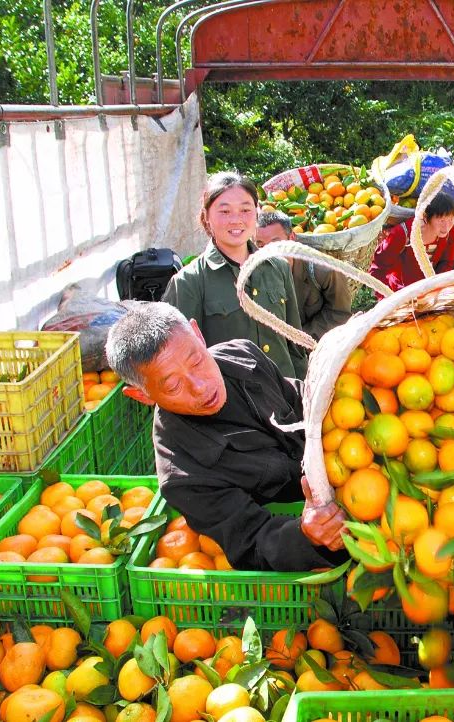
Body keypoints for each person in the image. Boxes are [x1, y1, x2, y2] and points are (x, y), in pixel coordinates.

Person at [105, 302, 347, 571]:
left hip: (352, 475)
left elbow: (302, 400)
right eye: (173, 385)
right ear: (143, 396)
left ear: (198, 334)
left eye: (196, 360)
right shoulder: (183, 475)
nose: (200, 386)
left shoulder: (243, 357)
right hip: (315, 545)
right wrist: (305, 535)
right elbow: (251, 542)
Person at [162, 172, 308, 380]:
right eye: (224, 211)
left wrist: (304, 396)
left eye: (245, 209)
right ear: (206, 217)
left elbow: (295, 344)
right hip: (233, 406)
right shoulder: (189, 282)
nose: (236, 220)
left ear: (257, 214)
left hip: (285, 396)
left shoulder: (278, 267)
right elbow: (183, 362)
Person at [255, 211, 353, 340]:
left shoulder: (323, 270)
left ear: (291, 238)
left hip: (313, 344)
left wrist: (298, 341)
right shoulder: (251, 275)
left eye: (275, 243)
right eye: (260, 245)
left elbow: (340, 313)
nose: (268, 251)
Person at [369, 193, 454, 292]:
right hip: (400, 293)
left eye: (451, 219)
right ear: (425, 217)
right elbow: (378, 268)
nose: (446, 227)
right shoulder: (402, 234)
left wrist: (436, 288)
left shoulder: (452, 233)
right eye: (441, 220)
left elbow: (446, 263)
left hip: (427, 293)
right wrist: (387, 297)